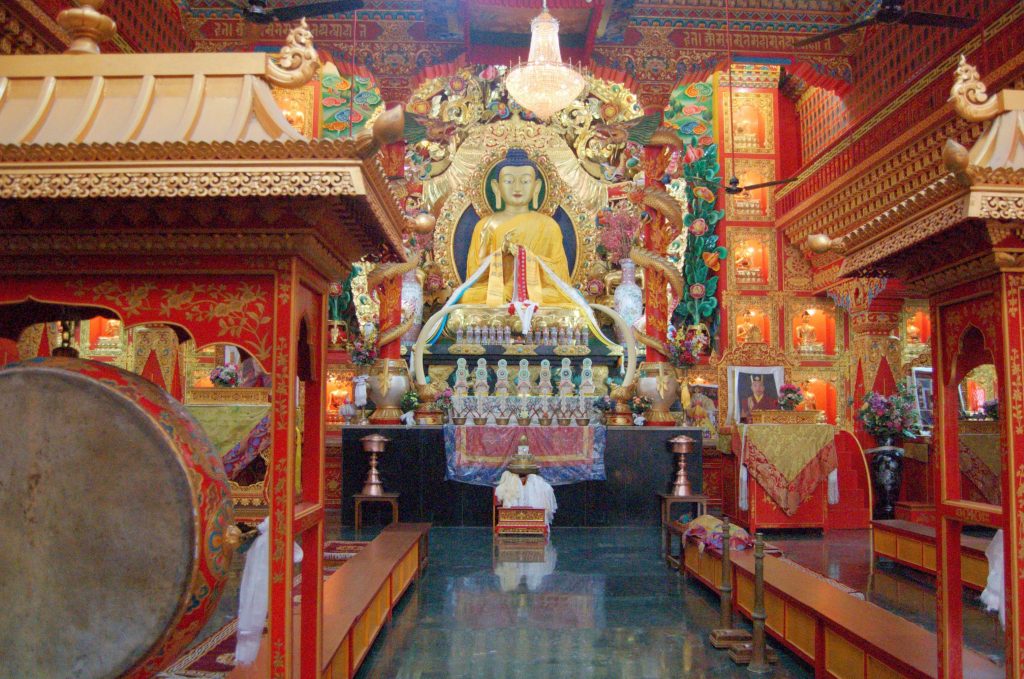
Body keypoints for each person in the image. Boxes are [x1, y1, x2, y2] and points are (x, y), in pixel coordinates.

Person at [462, 148, 573, 306]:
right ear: (496, 187)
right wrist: (501, 254)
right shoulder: (485, 226)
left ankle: (516, 298)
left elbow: (560, 279)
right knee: (467, 296)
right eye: (508, 181)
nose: (517, 187)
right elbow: (474, 276)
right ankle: (510, 298)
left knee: (563, 298)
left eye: (525, 181)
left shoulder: (549, 226)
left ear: (537, 187)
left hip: (538, 293)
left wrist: (525, 257)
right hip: (496, 292)